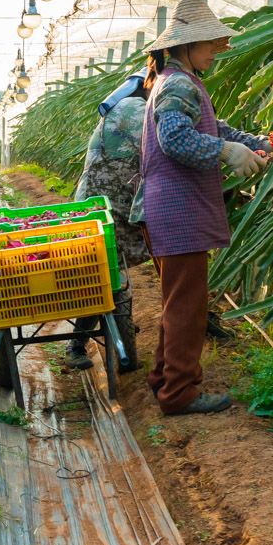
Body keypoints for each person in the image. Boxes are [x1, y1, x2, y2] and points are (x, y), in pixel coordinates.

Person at [136, 0, 272, 415]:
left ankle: (165, 378)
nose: (216, 50)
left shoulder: (179, 81)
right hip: (177, 209)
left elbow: (216, 127)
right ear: (186, 45)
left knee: (180, 301)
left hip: (170, 208)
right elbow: (174, 139)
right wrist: (227, 152)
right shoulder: (177, 83)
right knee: (188, 306)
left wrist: (256, 144)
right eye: (210, 42)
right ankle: (180, 393)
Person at [67, 68, 153, 373]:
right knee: (105, 275)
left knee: (104, 273)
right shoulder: (135, 109)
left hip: (107, 199)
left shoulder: (124, 107)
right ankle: (77, 344)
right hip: (105, 203)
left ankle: (93, 338)